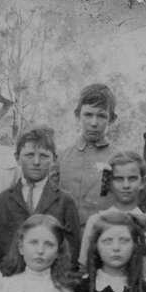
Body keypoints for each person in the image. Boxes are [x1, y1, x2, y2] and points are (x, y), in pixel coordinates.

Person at [0, 126, 80, 265]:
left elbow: (73, 253)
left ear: (54, 159)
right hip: (10, 276)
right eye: (29, 155)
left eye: (44, 156)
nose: (36, 162)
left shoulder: (65, 201)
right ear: (17, 157)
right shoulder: (2, 201)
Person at [78, 151, 146, 279]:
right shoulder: (96, 221)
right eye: (118, 179)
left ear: (143, 182)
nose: (126, 185)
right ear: (109, 182)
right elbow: (85, 266)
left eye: (132, 179)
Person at [56, 84, 121, 229]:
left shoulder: (119, 160)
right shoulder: (60, 157)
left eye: (101, 116)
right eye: (88, 114)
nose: (94, 123)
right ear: (77, 114)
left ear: (111, 119)